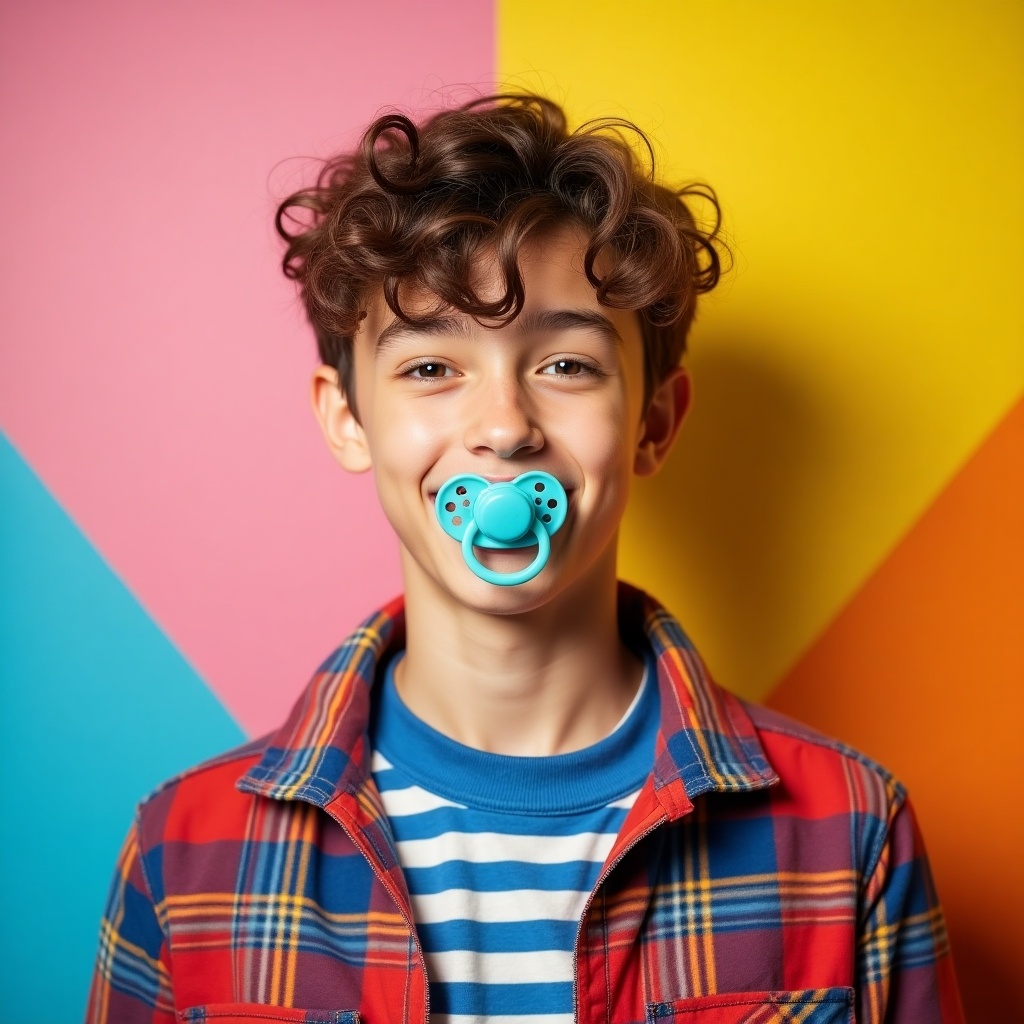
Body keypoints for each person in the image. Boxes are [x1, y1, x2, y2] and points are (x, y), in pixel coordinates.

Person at [86, 93, 964, 1024]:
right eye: (431, 368)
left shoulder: (852, 835)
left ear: (654, 423)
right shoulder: (184, 858)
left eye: (567, 366)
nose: (504, 429)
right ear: (347, 419)